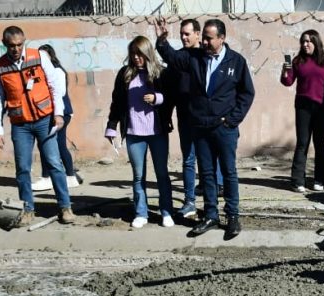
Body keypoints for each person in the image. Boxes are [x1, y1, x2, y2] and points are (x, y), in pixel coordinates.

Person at [154, 18, 255, 240]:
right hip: (200, 126)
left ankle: (233, 216)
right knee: (207, 173)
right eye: (205, 38)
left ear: (222, 38)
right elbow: (170, 56)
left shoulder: (236, 62)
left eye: (210, 38)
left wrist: (232, 120)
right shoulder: (194, 57)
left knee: (228, 173)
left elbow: (247, 93)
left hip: (224, 128)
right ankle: (210, 215)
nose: (206, 42)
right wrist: (162, 40)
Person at [0, 25, 75, 227]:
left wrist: (58, 114)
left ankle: (65, 207)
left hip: (44, 120)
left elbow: (54, 86)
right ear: (5, 45)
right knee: (22, 168)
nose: (16, 49)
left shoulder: (38, 57)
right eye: (11, 46)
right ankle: (27, 209)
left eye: (20, 44)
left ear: (24, 42)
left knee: (54, 164)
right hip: (20, 125)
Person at [106, 36, 177, 229]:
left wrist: (157, 98)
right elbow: (117, 102)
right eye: (133, 53)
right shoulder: (125, 74)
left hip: (157, 131)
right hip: (134, 132)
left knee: (162, 174)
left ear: (148, 53)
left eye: (140, 53)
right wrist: (111, 125)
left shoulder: (160, 73)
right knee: (138, 175)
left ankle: (166, 212)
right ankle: (141, 212)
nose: (137, 58)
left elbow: (171, 97)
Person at [166, 19, 217, 220]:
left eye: (187, 34)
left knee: (208, 161)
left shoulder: (207, 57)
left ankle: (211, 204)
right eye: (181, 34)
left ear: (198, 34)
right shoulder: (179, 58)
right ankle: (189, 202)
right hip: (185, 117)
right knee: (188, 160)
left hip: (205, 118)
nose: (184, 37)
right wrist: (168, 114)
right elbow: (170, 89)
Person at [280, 29, 324, 193]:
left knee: (320, 143)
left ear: (316, 42)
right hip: (303, 107)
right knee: (302, 143)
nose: (305, 44)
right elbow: (288, 82)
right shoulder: (298, 61)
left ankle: (321, 179)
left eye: (308, 41)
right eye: (303, 41)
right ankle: (298, 180)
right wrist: (285, 71)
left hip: (323, 108)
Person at [31, 44, 82, 193]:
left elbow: (58, 93)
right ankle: (69, 177)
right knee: (57, 145)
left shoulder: (57, 71)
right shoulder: (40, 72)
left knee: (49, 145)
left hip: (60, 114)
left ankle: (49, 178)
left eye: (45, 55)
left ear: (51, 56)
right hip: (52, 113)